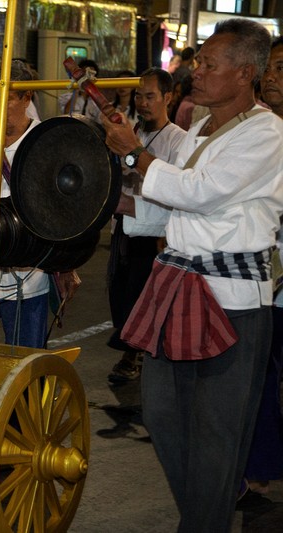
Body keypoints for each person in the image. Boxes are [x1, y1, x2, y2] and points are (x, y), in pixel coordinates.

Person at [101, 19, 283, 532]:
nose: (195, 73)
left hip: (234, 301)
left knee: (217, 433)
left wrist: (136, 153)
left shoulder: (268, 133)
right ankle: (205, 517)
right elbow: (169, 204)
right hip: (179, 287)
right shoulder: (200, 128)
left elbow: (198, 191)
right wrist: (113, 199)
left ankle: (202, 523)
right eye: (197, 61)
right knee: (162, 416)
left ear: (245, 73)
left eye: (208, 64)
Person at [0, 60, 80, 348]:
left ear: (26, 98)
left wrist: (67, 262)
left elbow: (63, 212)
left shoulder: (46, 143)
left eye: (6, 97)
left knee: (23, 358)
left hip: (30, 275)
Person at [106, 68, 186, 382]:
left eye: (150, 96)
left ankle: (136, 356)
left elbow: (171, 188)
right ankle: (131, 347)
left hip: (153, 232)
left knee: (144, 296)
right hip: (122, 226)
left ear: (169, 97)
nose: (143, 102)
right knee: (119, 290)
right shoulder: (131, 131)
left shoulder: (179, 140)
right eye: (139, 95)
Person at [242, 35, 283, 497]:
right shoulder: (255, 129)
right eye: (268, 68)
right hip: (263, 281)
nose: (271, 77)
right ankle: (256, 466)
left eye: (281, 69)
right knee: (262, 372)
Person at [58, 58, 102, 123]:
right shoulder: (65, 97)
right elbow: (66, 113)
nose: (88, 78)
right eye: (85, 74)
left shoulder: (96, 101)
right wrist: (76, 90)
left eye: (91, 75)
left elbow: (99, 122)